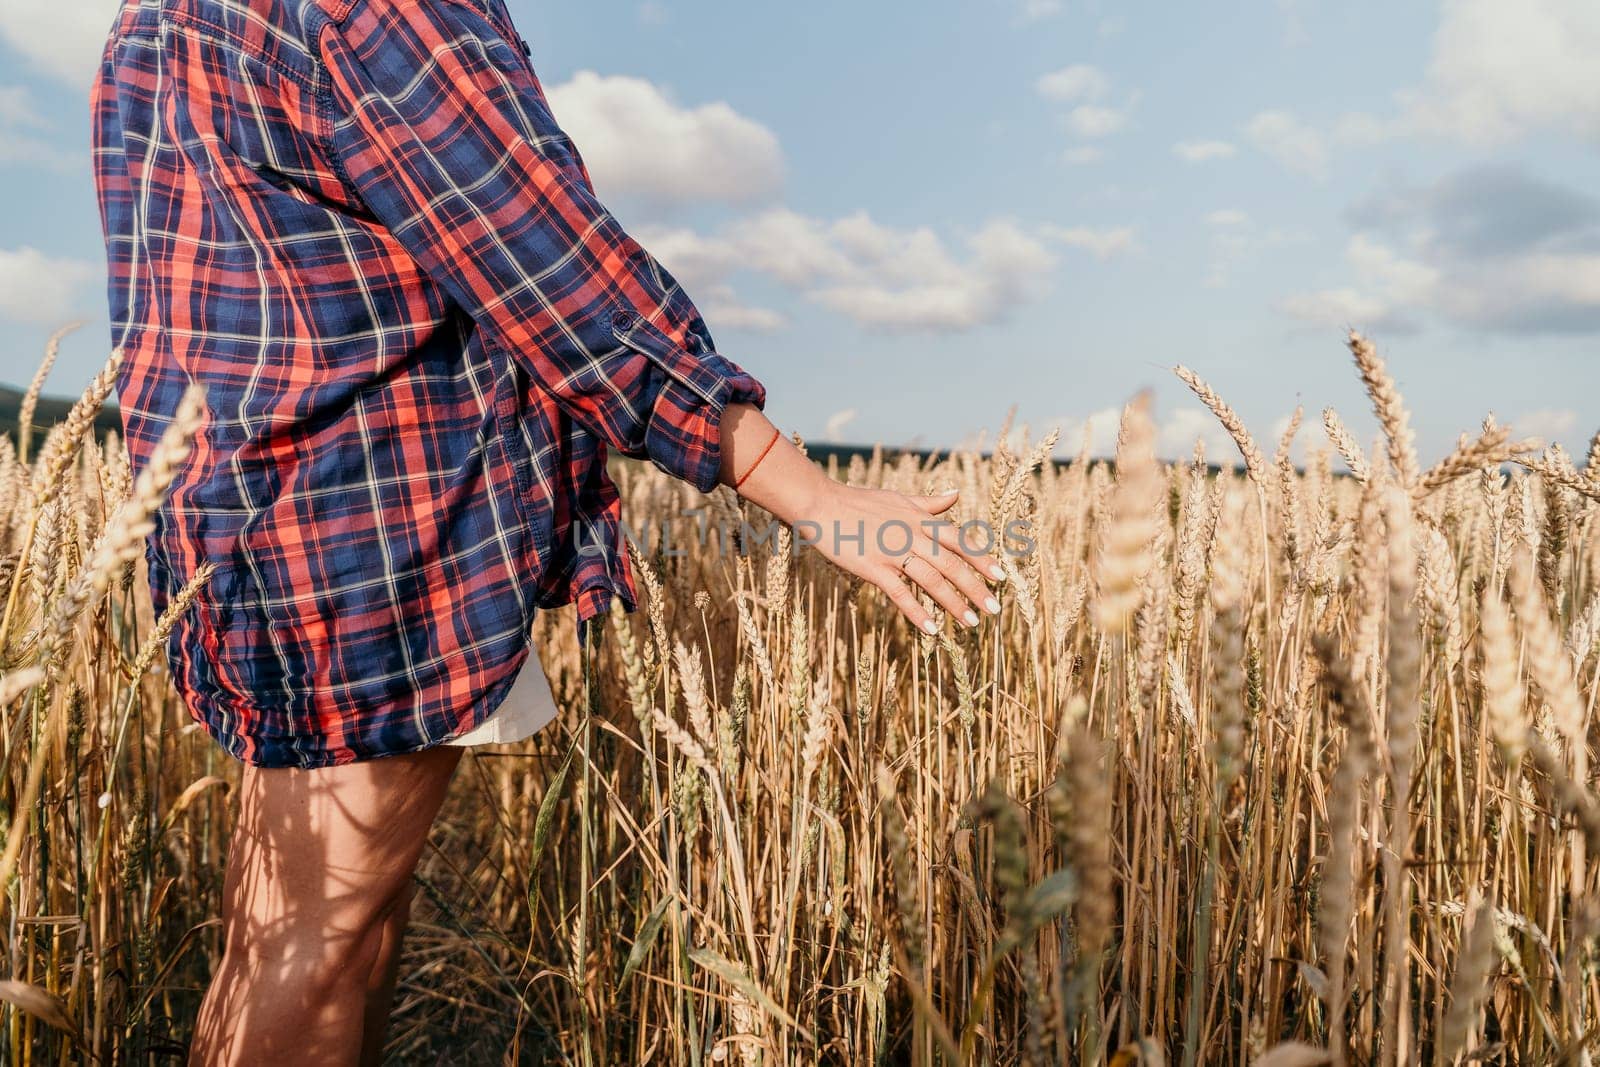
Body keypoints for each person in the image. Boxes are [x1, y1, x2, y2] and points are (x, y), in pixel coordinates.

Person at [91, 0, 1005, 1062]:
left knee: (319, 923)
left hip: (259, 513)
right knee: (317, 941)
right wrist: (807, 490)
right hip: (373, 525)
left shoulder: (158, 13)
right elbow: (552, 266)